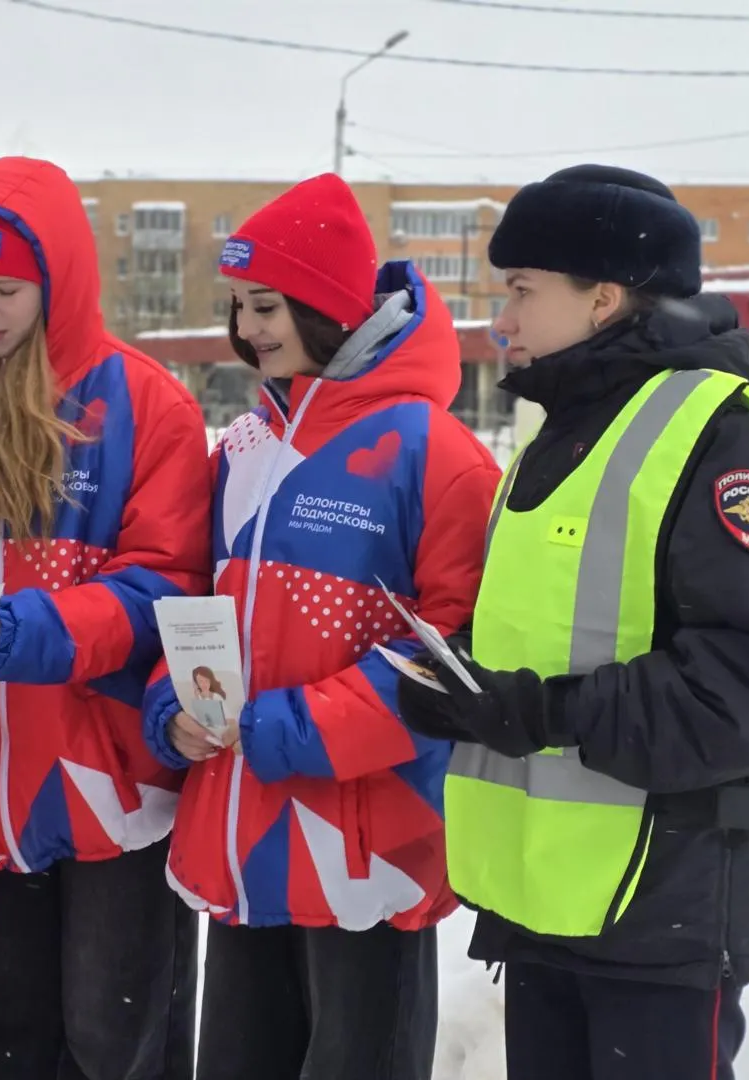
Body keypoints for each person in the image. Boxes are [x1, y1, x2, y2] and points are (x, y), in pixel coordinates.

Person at [396, 165, 749, 1080]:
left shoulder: (725, 435)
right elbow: (566, 633)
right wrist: (469, 688)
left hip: (666, 905)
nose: (502, 320)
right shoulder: (562, 434)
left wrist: (545, 715)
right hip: (549, 900)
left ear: (602, 299)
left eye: (521, 291)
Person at [142, 174, 501, 1080]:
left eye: (266, 305)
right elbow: (188, 607)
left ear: (328, 306)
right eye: (237, 306)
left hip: (365, 848)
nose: (248, 327)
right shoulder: (244, 448)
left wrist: (283, 729)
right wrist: (170, 706)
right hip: (242, 834)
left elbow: (449, 655)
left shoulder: (437, 453)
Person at [0, 156, 212, 1080]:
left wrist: (29, 635)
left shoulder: (149, 405)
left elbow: (169, 584)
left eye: (7, 288)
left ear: (59, 278)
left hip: (115, 779)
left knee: (119, 1038)